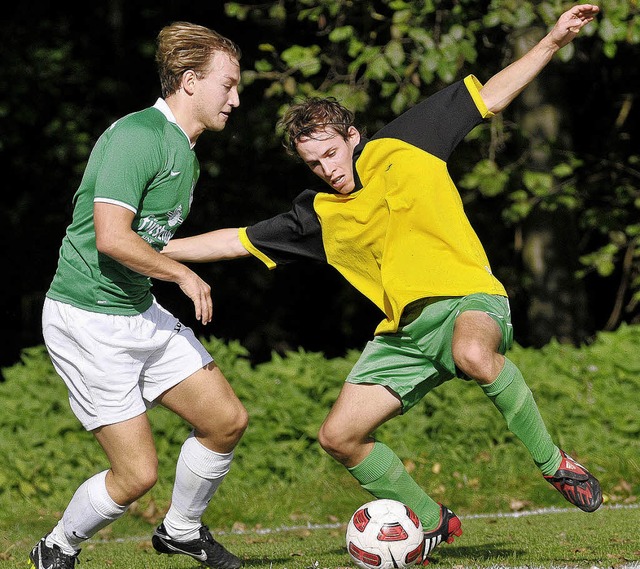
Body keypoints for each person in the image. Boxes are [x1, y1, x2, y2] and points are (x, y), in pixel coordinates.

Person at [162, 4, 602, 565]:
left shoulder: (408, 141)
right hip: (403, 333)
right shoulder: (316, 214)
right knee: (339, 437)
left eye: (331, 152)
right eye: (312, 163)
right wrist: (147, 248)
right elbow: (232, 240)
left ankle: (553, 463)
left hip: (469, 297)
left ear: (353, 136)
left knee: (472, 352)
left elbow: (492, 94)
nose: (326, 168)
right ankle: (431, 520)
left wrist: (552, 40)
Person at [29, 22, 248, 569]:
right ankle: (56, 546)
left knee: (225, 421)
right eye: (229, 85)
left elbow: (153, 237)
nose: (236, 99)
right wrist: (181, 275)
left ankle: (181, 530)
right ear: (191, 81)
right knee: (136, 476)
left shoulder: (185, 150)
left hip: (135, 309)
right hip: (87, 320)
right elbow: (112, 237)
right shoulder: (138, 136)